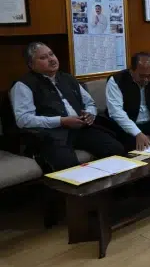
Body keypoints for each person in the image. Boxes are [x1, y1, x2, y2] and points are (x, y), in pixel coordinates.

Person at [10, 42, 124, 171]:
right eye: (43, 58)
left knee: (115, 149)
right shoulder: (23, 85)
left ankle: (109, 183)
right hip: (51, 135)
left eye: (51, 54)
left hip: (80, 128)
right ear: (31, 65)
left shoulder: (67, 78)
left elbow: (90, 103)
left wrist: (90, 114)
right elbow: (23, 119)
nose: (51, 59)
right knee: (69, 167)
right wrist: (61, 121)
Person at [106, 53, 150, 152]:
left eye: (149, 76)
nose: (146, 80)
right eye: (142, 76)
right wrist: (137, 133)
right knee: (134, 146)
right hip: (127, 125)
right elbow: (116, 112)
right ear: (131, 71)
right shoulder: (117, 81)